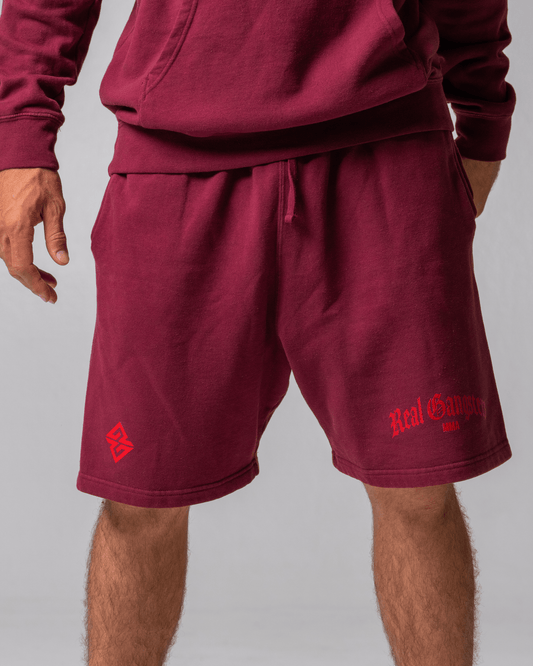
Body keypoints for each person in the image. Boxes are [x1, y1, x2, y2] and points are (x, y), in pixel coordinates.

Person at [0, 1, 516, 664]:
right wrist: (21, 136)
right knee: (139, 501)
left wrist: (482, 110)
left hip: (384, 141)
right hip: (175, 155)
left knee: (418, 489)